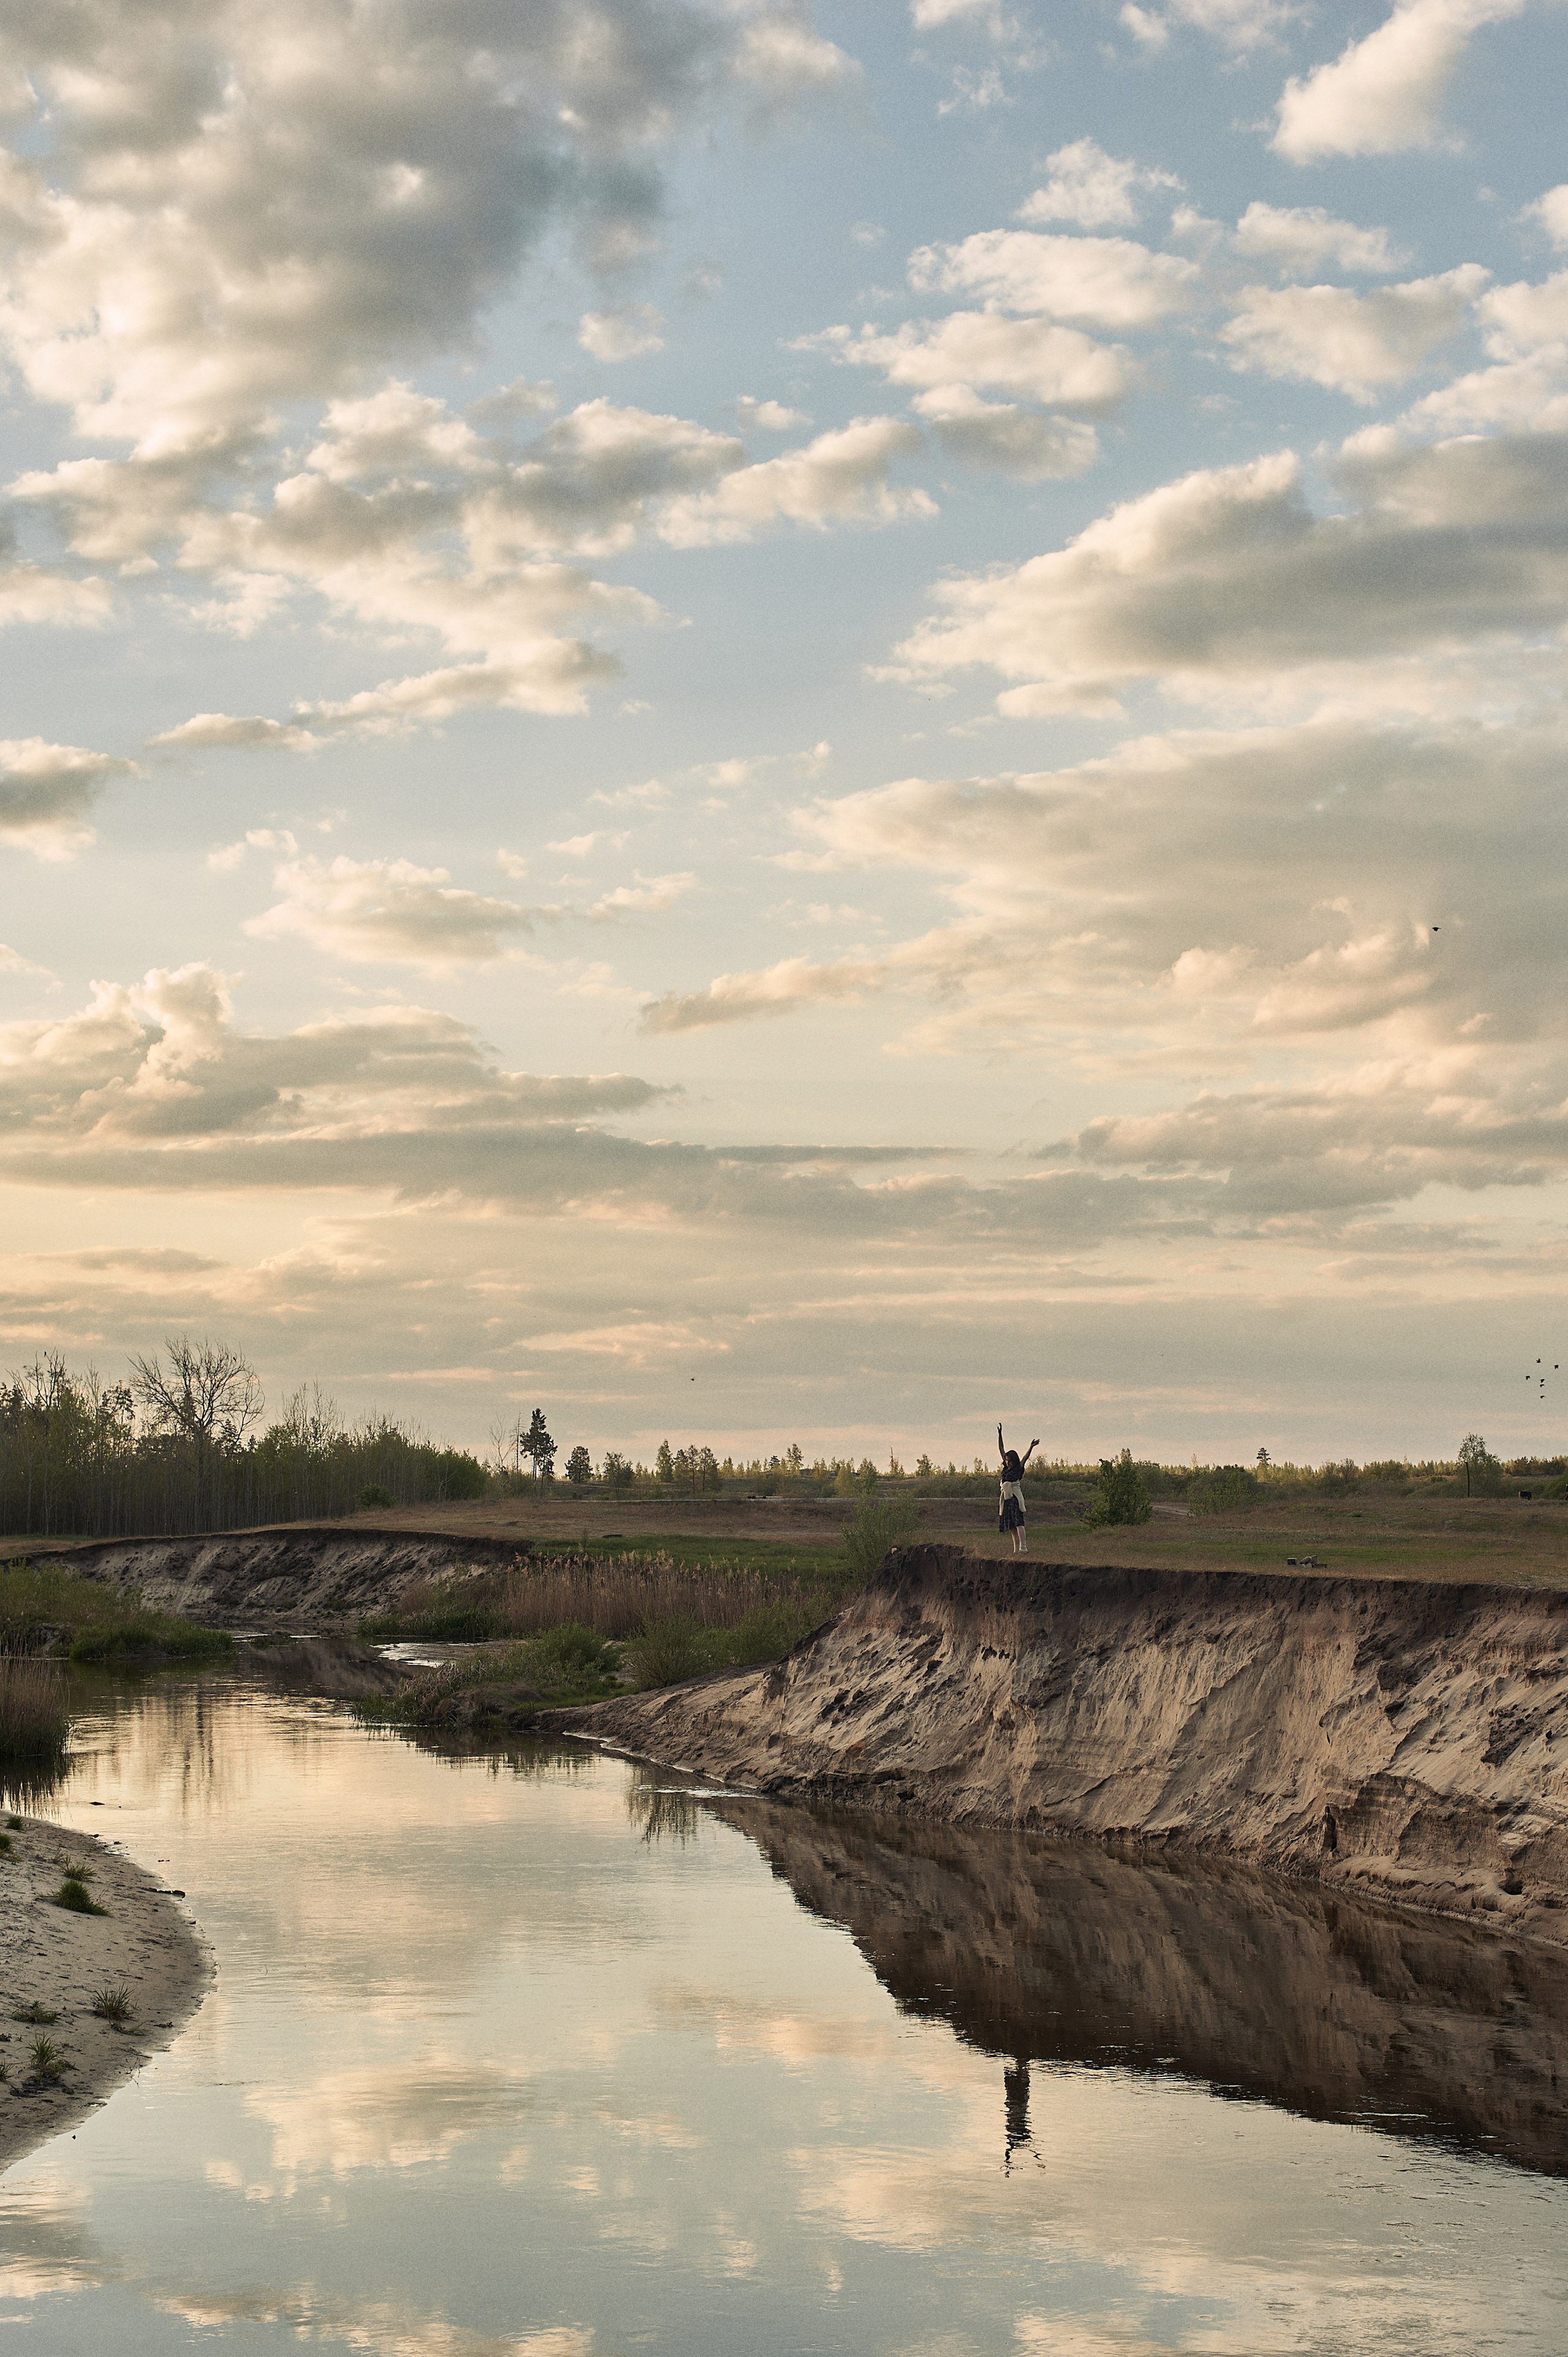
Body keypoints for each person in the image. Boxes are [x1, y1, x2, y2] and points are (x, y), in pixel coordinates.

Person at [997, 1425, 1039, 1554]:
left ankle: (1024, 1547)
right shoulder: (1006, 1468)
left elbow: (1025, 1458)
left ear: (1014, 1461)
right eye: (1006, 1460)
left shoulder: (1018, 1468)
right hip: (1007, 1498)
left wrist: (1031, 1447)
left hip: (1014, 1498)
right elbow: (1001, 1449)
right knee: (1011, 1525)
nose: (1007, 1462)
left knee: (1018, 1522)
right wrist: (1000, 1434)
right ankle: (1016, 1550)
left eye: (1009, 1460)